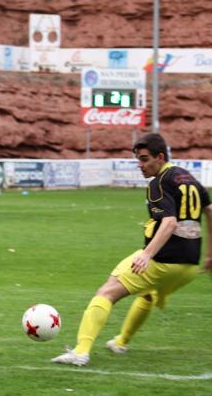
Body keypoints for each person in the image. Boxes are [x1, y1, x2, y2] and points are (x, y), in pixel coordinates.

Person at [52, 133, 212, 366]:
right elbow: (210, 211)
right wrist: (210, 254)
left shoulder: (158, 182)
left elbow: (169, 222)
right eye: (138, 159)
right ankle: (120, 342)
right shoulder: (188, 178)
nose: (141, 165)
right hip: (188, 267)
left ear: (160, 157)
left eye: (145, 159)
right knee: (149, 294)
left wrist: (147, 255)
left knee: (106, 292)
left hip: (162, 260)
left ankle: (80, 351)